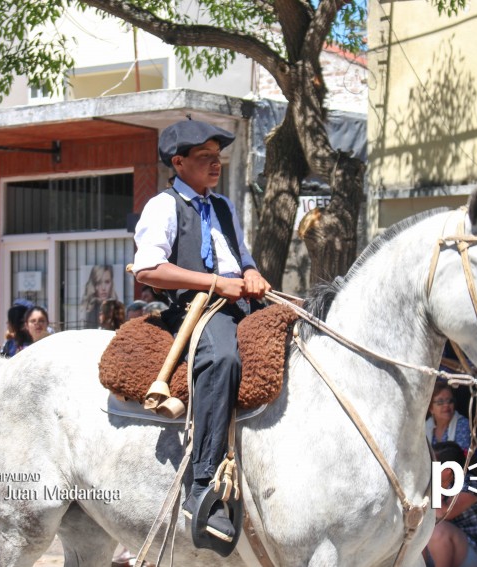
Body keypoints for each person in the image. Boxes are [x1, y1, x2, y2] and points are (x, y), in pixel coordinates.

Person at [130, 118, 271, 542]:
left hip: (236, 303)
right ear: (179, 162)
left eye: (219, 157)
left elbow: (241, 257)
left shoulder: (223, 206)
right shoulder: (163, 205)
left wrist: (251, 273)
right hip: (192, 310)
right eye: (206, 158)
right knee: (223, 357)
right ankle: (203, 484)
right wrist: (215, 283)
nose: (216, 165)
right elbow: (148, 268)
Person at [424, 441, 477, 567]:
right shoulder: (434, 482)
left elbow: (443, 514)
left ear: (448, 470)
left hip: (473, 550)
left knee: (437, 530)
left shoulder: (470, 485)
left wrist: (435, 488)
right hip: (441, 547)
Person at [425, 382, 471, 452]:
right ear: (431, 408)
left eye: (450, 401)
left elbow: (461, 457)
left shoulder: (463, 424)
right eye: (440, 402)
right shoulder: (425, 427)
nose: (446, 405)